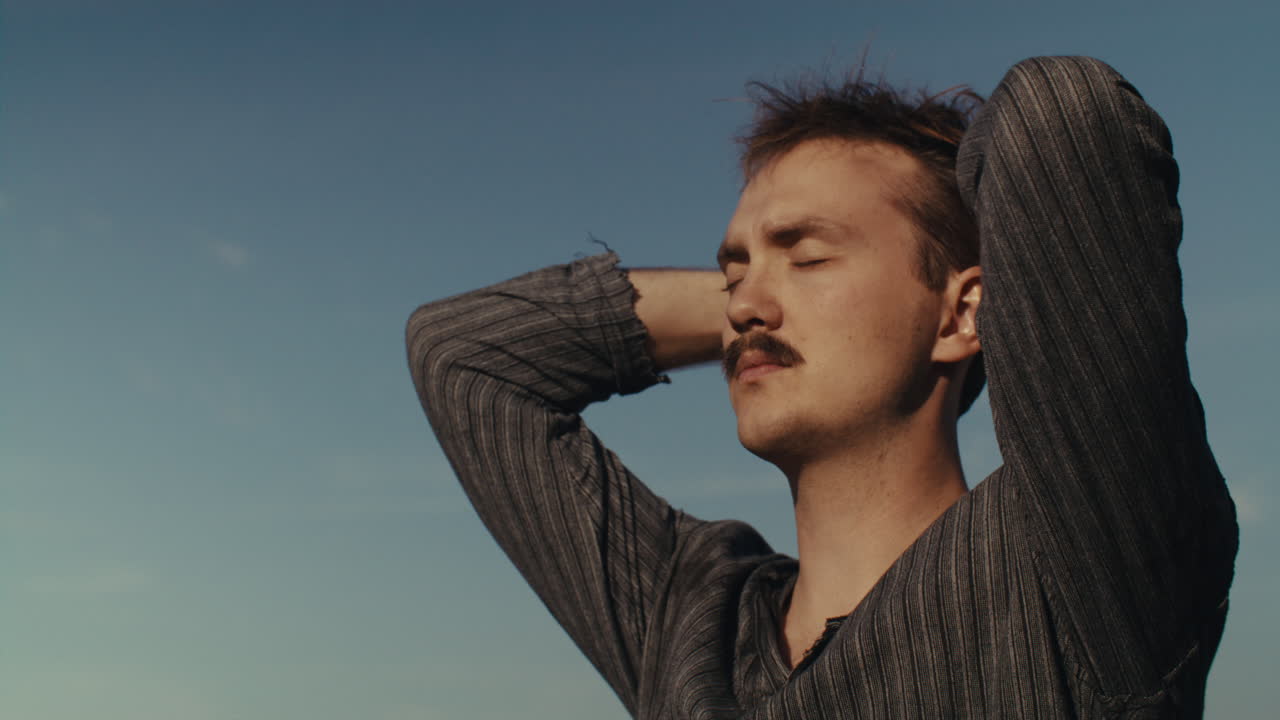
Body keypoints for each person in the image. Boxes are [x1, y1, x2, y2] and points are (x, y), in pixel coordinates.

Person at [406, 56, 1237, 718]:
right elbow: (465, 358)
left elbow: (1061, 118)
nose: (746, 308)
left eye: (808, 256)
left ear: (962, 313)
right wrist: (764, 298)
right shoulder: (692, 622)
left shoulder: (1076, 566)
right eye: (736, 272)